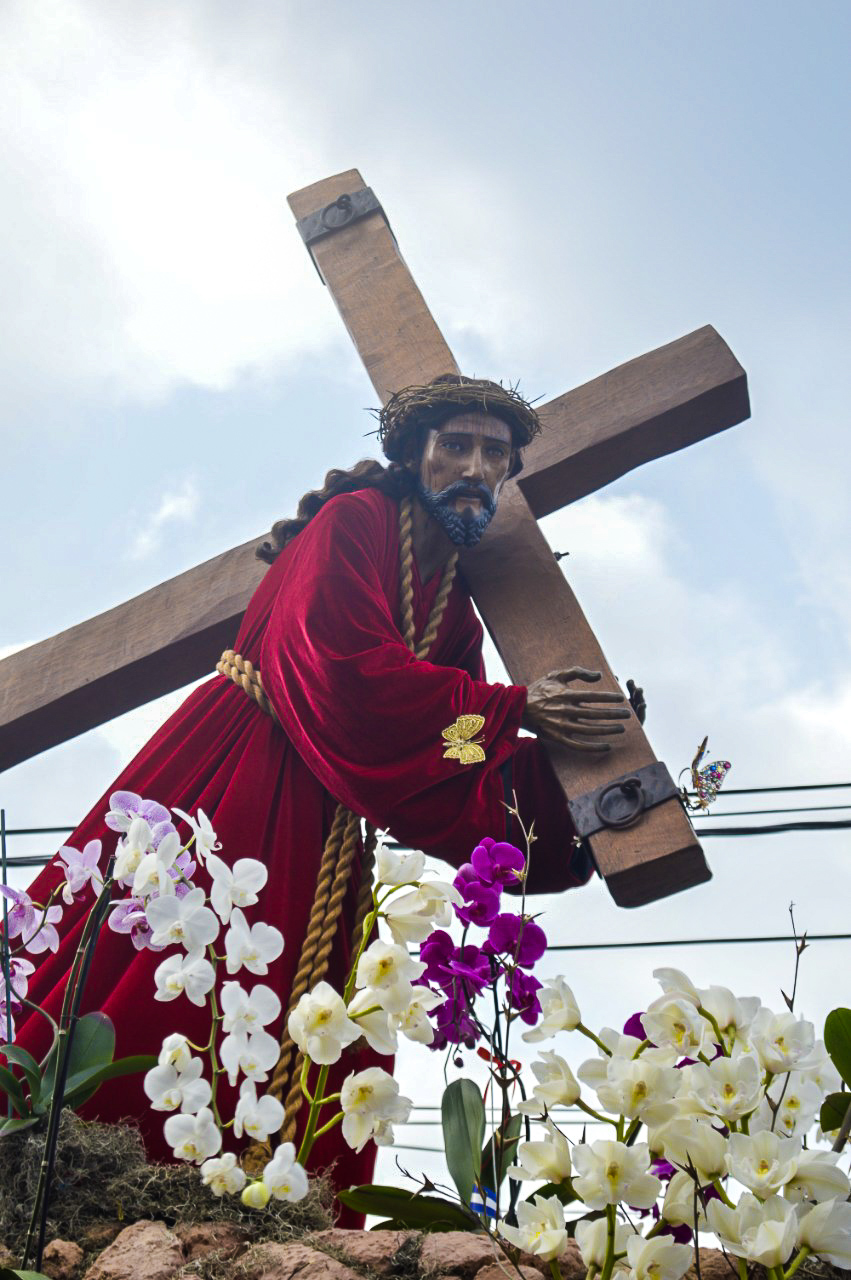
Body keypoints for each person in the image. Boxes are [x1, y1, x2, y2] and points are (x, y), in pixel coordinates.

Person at [13, 374, 634, 1203]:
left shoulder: (453, 603)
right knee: (176, 969)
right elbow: (343, 678)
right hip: (240, 774)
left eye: (496, 454)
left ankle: (239, 1204)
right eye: (458, 445)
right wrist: (518, 708)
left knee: (291, 1025)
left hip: (330, 822)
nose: (476, 469)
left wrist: (575, 783)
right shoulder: (355, 523)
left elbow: (448, 759)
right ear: (413, 454)